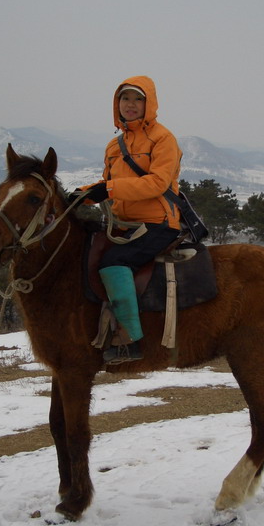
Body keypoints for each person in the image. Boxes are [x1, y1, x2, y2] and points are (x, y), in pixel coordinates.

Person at [74, 75, 183, 365]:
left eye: (138, 99)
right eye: (125, 99)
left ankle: (130, 340)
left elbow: (157, 183)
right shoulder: (115, 145)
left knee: (113, 263)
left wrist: (107, 189)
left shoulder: (163, 139)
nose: (131, 105)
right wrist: (79, 195)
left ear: (149, 104)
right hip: (124, 225)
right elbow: (108, 182)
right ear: (117, 104)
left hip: (158, 224)